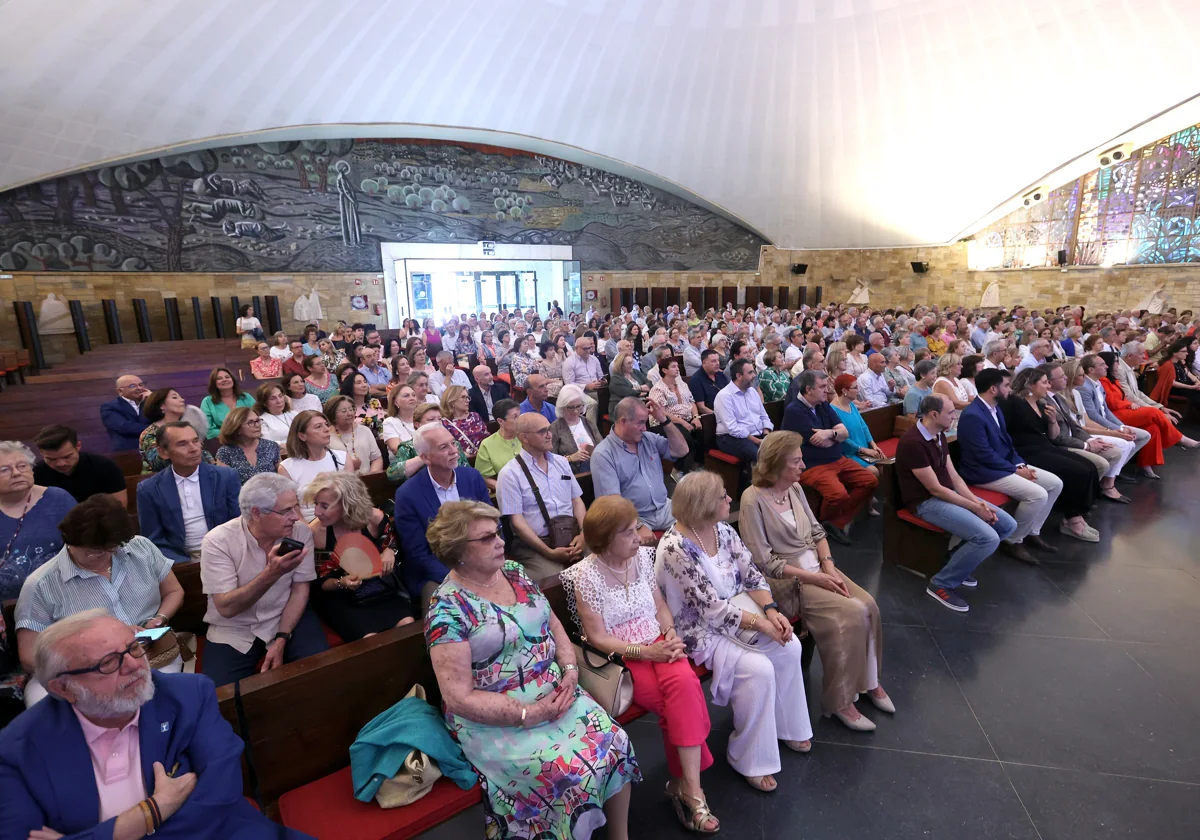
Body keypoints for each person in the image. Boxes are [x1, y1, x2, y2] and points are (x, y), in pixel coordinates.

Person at [424, 500, 638, 839]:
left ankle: (620, 836)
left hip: (555, 692)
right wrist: (529, 714)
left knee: (615, 741)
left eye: (498, 533)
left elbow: (554, 624)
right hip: (496, 718)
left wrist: (569, 670)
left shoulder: (513, 571)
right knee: (565, 773)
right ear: (457, 550)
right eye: (487, 538)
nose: (500, 542)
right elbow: (458, 696)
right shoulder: (447, 608)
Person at [1, 611, 309, 838]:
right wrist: (152, 812)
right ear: (63, 689)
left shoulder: (189, 695)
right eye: (109, 663)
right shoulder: (17, 749)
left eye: (134, 647)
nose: (135, 666)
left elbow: (220, 797)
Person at [559, 496, 718, 833]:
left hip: (659, 643)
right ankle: (688, 788)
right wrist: (645, 653)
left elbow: (659, 606)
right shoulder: (584, 576)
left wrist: (671, 635)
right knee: (676, 702)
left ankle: (689, 789)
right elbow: (598, 638)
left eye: (636, 529)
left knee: (685, 687)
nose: (640, 537)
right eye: (629, 533)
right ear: (605, 540)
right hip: (624, 656)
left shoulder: (643, 559)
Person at [656, 471, 812, 792]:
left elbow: (751, 574)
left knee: (790, 646)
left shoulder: (723, 530)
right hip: (699, 630)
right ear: (702, 507)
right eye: (722, 497)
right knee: (758, 670)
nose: (730, 499)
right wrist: (763, 623)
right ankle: (748, 757)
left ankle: (787, 724)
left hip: (744, 613)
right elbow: (711, 610)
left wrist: (771, 610)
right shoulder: (674, 549)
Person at [739, 433, 893, 729]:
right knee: (849, 614)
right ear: (775, 465)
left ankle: (870, 681)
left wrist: (829, 566)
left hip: (818, 568)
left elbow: (819, 533)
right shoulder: (752, 500)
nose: (802, 465)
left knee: (869, 605)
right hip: (786, 580)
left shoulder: (795, 488)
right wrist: (816, 577)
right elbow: (763, 562)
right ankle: (840, 701)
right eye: (796, 461)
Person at [15, 495, 185, 707]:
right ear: (69, 542)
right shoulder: (42, 584)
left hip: (150, 656)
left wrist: (158, 619)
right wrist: (91, 654)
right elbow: (29, 656)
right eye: (93, 553)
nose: (105, 556)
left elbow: (173, 591)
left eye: (111, 549)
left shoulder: (140, 548)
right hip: (81, 670)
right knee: (49, 708)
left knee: (159, 702)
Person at [199, 473, 328, 686]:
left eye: (295, 507)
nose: (296, 517)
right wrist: (272, 573)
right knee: (219, 691)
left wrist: (282, 637)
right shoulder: (218, 541)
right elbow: (226, 608)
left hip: (285, 615)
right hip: (234, 628)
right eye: (286, 511)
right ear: (257, 513)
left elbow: (300, 589)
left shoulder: (300, 533)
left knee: (319, 670)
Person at [897, 394, 1019, 611]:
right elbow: (934, 489)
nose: (955, 416)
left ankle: (955, 561)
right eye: (950, 412)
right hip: (925, 502)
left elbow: (954, 477)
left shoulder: (939, 434)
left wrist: (977, 503)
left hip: (946, 493)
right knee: (987, 538)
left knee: (1007, 525)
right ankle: (941, 583)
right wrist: (973, 507)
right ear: (934, 415)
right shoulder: (913, 442)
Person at [955, 369, 1061, 565]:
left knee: (1055, 483)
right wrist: (1015, 470)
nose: (1010, 389)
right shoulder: (973, 415)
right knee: (1038, 494)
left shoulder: (995, 408)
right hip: (983, 472)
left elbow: (1007, 442)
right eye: (1006, 385)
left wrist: (1019, 463)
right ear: (993, 389)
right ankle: (1012, 540)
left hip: (1003, 465)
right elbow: (982, 454)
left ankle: (1032, 531)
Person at [304, 472, 414, 642]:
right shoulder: (318, 533)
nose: (317, 512)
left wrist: (390, 551)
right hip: (341, 597)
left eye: (324, 506)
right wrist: (342, 582)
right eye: (316, 504)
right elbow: (321, 584)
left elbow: (393, 543)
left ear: (347, 504)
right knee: (370, 639)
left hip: (379, 589)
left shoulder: (374, 519)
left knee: (407, 624)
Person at [393, 425, 491, 611]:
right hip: (435, 571)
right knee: (444, 612)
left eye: (453, 444)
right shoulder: (407, 494)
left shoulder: (472, 477)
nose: (454, 451)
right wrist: (460, 575)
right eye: (443, 447)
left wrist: (485, 560)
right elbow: (417, 553)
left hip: (480, 559)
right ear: (425, 457)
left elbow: (492, 523)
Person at [781, 370, 878, 545]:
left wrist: (828, 433)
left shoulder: (823, 405)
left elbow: (844, 433)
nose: (828, 390)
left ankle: (834, 523)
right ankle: (822, 526)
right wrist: (835, 436)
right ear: (809, 389)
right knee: (838, 495)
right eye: (823, 387)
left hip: (837, 459)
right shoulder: (795, 410)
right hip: (813, 465)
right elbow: (821, 443)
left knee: (870, 480)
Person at [1003, 368, 1101, 542]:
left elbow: (1053, 435)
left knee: (1089, 467)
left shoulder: (1042, 404)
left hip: (1044, 446)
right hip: (1026, 451)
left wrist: (1053, 420)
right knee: (1076, 472)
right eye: (1044, 382)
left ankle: (1076, 515)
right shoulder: (1015, 404)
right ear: (1031, 385)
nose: (1048, 386)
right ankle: (1072, 519)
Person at [497, 413, 587, 580]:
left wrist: (583, 534)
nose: (549, 435)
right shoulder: (510, 474)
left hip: (572, 534)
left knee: (600, 561)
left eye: (549, 429)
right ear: (524, 437)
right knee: (555, 578)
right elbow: (517, 523)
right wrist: (549, 553)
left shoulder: (561, 462)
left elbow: (577, 501)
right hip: (536, 543)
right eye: (542, 431)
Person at [137, 422, 241, 563]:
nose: (194, 449)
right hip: (179, 559)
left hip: (226, 552)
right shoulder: (149, 489)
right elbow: (154, 539)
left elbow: (238, 522)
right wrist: (180, 563)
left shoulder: (226, 477)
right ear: (163, 452)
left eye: (195, 441)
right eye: (182, 444)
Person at [592, 398, 690, 540]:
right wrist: (637, 525)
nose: (645, 428)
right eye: (640, 423)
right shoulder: (604, 454)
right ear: (623, 421)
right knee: (640, 550)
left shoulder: (648, 439)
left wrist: (664, 420)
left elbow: (682, 450)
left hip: (664, 507)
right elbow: (612, 503)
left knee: (699, 524)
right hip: (634, 517)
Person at [1083, 353, 1191, 478]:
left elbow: (1130, 395)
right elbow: (1111, 404)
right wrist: (1125, 413)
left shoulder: (1110, 380)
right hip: (1116, 414)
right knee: (1153, 412)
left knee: (1152, 427)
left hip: (1118, 413)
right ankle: (1179, 439)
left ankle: (1145, 465)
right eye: (1116, 362)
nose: (1144, 357)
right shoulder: (1101, 382)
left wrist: (1126, 415)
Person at [1048, 361, 1135, 503]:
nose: (1084, 378)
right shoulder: (1060, 396)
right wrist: (1111, 434)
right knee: (1122, 446)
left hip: (1080, 433)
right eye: (1081, 375)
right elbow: (1078, 426)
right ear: (1071, 377)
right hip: (1074, 436)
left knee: (1128, 443)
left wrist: (1116, 429)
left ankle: (1106, 483)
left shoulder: (1075, 393)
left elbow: (1087, 419)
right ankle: (1100, 487)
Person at [0, 441, 76, 602]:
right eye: (4, 470)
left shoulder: (58, 499)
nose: (16, 473)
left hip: (61, 595)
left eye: (22, 466)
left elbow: (85, 544)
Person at [279, 410, 352, 518]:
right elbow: (292, 507)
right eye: (318, 427)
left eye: (326, 425)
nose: (327, 429)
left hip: (341, 518)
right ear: (302, 436)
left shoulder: (342, 457)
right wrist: (308, 529)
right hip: (306, 524)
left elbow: (350, 497)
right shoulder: (287, 468)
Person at [32, 425, 126, 505]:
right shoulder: (34, 474)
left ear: (78, 446)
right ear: (41, 452)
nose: (61, 464)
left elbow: (118, 506)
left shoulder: (105, 466)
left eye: (67, 457)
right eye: (51, 459)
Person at [138, 388, 214, 474]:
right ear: (162, 406)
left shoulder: (187, 428)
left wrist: (212, 464)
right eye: (175, 397)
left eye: (181, 397)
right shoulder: (150, 433)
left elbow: (203, 452)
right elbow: (158, 464)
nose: (182, 400)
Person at [714, 358, 772, 464]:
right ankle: (755, 480)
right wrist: (757, 441)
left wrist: (766, 435)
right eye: (750, 372)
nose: (754, 375)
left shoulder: (753, 392)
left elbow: (764, 416)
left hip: (756, 434)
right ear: (739, 376)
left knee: (782, 449)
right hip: (730, 438)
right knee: (759, 455)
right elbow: (733, 428)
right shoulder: (725, 396)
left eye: (754, 371)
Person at [216, 407, 281, 484]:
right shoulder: (225, 453)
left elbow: (282, 479)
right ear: (237, 428)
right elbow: (225, 485)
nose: (257, 425)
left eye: (258, 421)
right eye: (250, 422)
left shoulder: (271, 446)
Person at [320, 395, 382, 475]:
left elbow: (376, 458)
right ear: (332, 414)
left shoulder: (365, 430)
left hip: (368, 479)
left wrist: (371, 476)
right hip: (341, 483)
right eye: (344, 411)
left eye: (351, 409)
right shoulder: (326, 436)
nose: (349, 413)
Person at [551, 383, 601, 474]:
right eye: (570, 407)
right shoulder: (555, 428)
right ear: (562, 407)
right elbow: (550, 460)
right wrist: (570, 458)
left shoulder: (587, 422)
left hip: (595, 468)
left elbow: (601, 445)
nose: (575, 411)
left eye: (578, 406)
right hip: (572, 473)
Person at [474, 399, 523, 489]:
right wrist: (505, 488)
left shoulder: (527, 436)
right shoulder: (487, 444)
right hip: (507, 489)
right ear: (501, 421)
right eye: (515, 417)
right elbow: (485, 477)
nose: (520, 421)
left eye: (520, 416)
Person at [200, 367, 254, 439]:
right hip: (224, 440)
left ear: (233, 380)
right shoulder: (207, 401)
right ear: (214, 383)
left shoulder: (246, 397)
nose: (224, 380)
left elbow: (259, 417)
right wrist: (231, 435)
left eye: (227, 377)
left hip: (250, 437)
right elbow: (207, 429)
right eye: (219, 378)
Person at [100, 374, 150, 451]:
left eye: (141, 384)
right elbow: (125, 427)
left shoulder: (150, 403)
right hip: (127, 452)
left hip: (154, 449)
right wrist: (157, 428)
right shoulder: (109, 407)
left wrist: (153, 399)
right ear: (120, 391)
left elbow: (166, 419)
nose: (139, 388)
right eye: (133, 386)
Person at [1150, 337, 1200, 409]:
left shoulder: (1179, 362)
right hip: (1178, 391)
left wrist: (1197, 382)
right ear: (1175, 353)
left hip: (1188, 387)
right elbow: (1171, 382)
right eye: (1184, 351)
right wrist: (1191, 387)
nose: (1187, 353)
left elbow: (1188, 373)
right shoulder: (1168, 364)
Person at [440, 384, 488, 456]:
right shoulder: (445, 423)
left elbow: (486, 436)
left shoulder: (475, 416)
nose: (467, 401)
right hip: (464, 461)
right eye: (463, 397)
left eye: (468, 397)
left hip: (484, 456)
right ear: (452, 401)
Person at [342, 371, 386, 441]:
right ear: (350, 387)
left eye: (365, 382)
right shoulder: (346, 409)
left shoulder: (374, 402)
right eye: (359, 383)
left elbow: (382, 427)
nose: (364, 385)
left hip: (380, 442)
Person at [255, 382, 299, 451]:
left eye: (280, 396)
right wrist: (284, 445)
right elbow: (266, 442)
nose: (279, 401)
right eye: (273, 398)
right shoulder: (262, 420)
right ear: (264, 403)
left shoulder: (294, 414)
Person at [381, 383, 418, 457]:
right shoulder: (389, 422)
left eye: (413, 395)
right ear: (395, 402)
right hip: (403, 465)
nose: (412, 398)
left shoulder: (423, 418)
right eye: (406, 396)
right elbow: (397, 450)